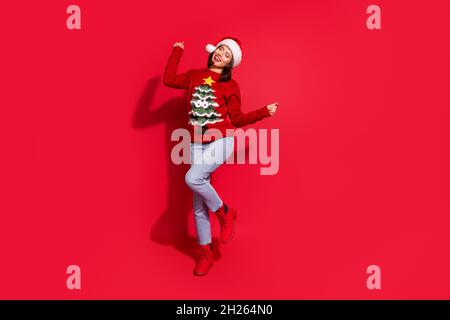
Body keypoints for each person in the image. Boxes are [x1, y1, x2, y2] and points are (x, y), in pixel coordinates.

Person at [162, 36, 278, 276]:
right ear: (213, 52)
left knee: (192, 178)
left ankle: (225, 212)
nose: (221, 54)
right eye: (220, 49)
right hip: (194, 143)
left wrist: (264, 112)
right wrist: (176, 51)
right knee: (197, 204)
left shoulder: (230, 86)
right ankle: (205, 251)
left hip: (221, 139)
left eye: (226, 54)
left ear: (229, 64)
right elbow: (169, 79)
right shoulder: (194, 76)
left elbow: (236, 119)